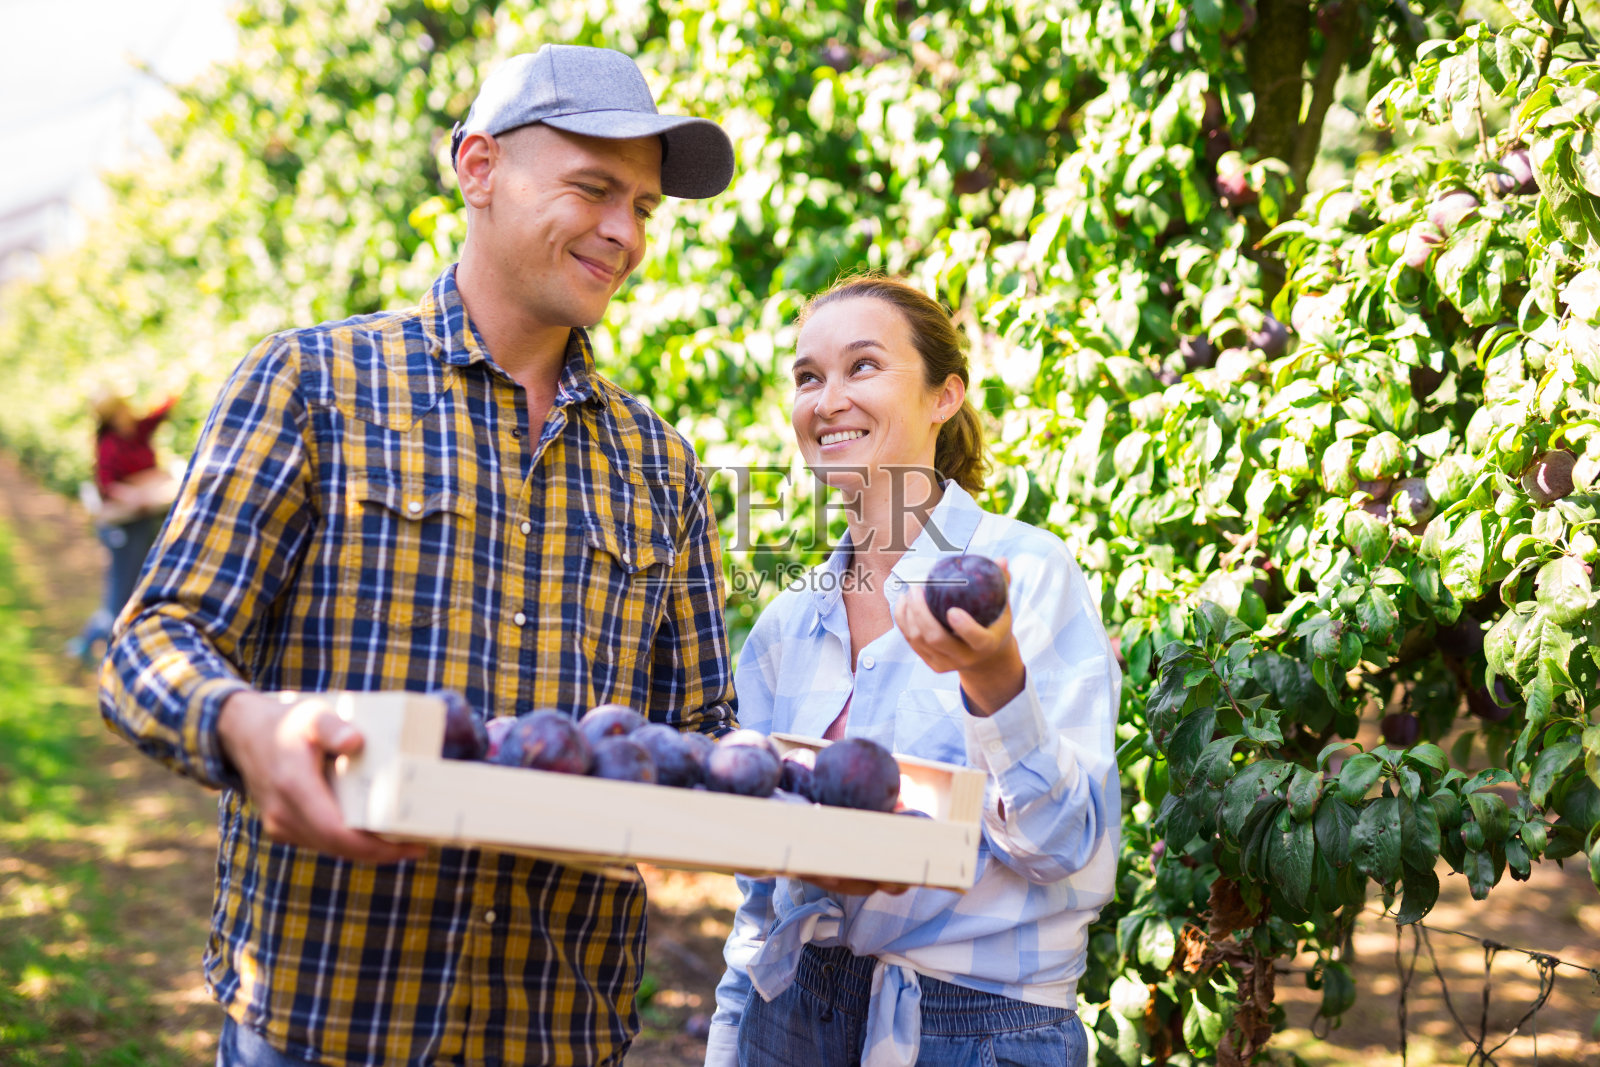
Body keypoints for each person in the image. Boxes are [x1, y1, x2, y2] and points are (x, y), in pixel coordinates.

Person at [100, 45, 737, 1066]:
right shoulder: (313, 385)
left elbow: (703, 730)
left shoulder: (658, 463)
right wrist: (244, 722)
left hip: (556, 1026)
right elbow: (153, 641)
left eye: (646, 208)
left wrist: (812, 826)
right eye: (594, 189)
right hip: (327, 1013)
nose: (625, 233)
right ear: (479, 168)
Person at [706, 275, 1121, 1067]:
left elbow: (1064, 847)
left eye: (863, 366)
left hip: (980, 1031)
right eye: (807, 376)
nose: (827, 400)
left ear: (944, 396)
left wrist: (995, 679)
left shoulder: (1028, 574)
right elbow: (758, 902)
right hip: (792, 1010)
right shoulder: (785, 625)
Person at [66, 389, 179, 665]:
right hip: (122, 526)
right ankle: (104, 652)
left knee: (133, 587)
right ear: (111, 417)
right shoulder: (110, 444)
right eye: (119, 412)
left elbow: (157, 416)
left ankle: (94, 645)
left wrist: (174, 389)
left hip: (142, 520)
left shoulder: (136, 432)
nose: (125, 414)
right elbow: (106, 483)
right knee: (121, 592)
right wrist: (133, 495)